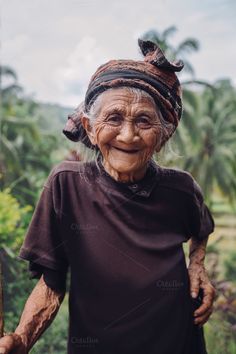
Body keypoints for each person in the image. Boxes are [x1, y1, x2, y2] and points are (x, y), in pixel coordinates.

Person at [0, 39, 216, 354]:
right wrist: (22, 339)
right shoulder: (66, 185)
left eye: (144, 121)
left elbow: (202, 228)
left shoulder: (181, 189)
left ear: (163, 133)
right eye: (114, 118)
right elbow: (52, 284)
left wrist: (197, 264)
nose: (127, 135)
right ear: (89, 127)